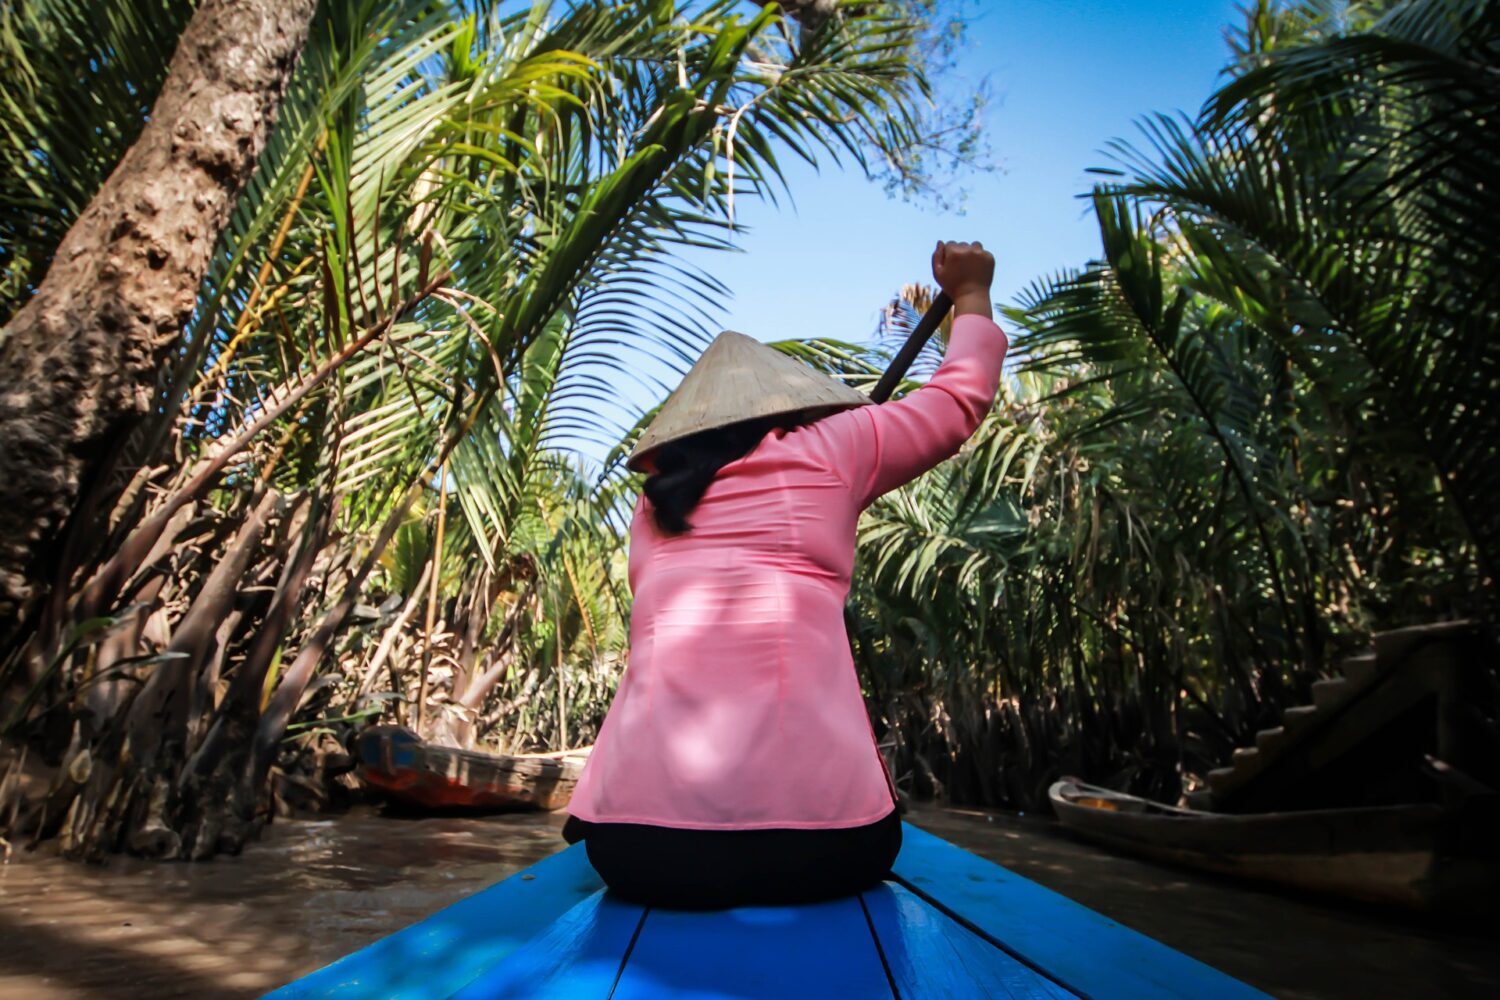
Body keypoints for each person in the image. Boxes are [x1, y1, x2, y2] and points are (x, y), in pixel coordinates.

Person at [562, 240, 1006, 909]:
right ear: (794, 408)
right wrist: (970, 292)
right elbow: (956, 401)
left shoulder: (655, 502)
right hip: (820, 849)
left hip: (637, 852)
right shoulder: (838, 445)